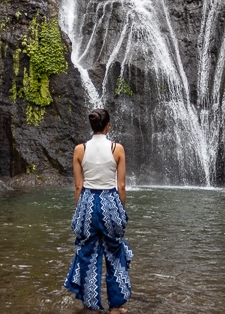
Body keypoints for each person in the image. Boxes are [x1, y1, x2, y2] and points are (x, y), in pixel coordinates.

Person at [64, 108, 133, 313]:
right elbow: (121, 186)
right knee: (114, 252)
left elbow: (78, 186)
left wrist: (81, 210)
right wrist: (120, 210)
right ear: (108, 126)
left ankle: (91, 305)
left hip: (87, 202)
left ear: (92, 126)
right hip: (110, 202)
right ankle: (116, 305)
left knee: (87, 254)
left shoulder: (79, 149)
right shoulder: (117, 148)